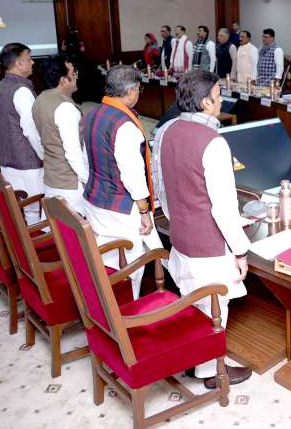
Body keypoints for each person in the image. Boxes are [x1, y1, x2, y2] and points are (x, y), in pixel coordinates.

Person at [153, 70, 253, 389]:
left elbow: (161, 186)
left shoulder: (166, 130)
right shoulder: (214, 143)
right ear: (205, 102)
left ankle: (193, 358)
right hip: (208, 245)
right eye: (218, 95)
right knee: (214, 307)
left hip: (180, 235)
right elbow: (223, 207)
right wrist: (240, 250)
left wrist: (179, 218)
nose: (222, 100)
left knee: (192, 301)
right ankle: (211, 370)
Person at [83, 65, 162, 299]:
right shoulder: (125, 125)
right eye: (139, 89)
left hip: (95, 199)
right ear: (130, 91)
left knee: (108, 260)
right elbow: (132, 175)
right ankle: (127, 310)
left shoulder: (92, 113)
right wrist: (144, 211)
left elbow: (86, 157)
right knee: (131, 268)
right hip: (121, 207)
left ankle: (106, 306)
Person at [0, 43, 44, 224]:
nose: (33, 63)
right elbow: (31, 129)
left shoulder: (1, 86)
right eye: (29, 59)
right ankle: (35, 241)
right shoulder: (21, 90)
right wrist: (44, 155)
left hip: (8, 160)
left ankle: (26, 239)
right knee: (35, 210)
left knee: (24, 209)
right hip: (27, 162)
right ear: (19, 64)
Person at [33, 55, 88, 215]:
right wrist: (89, 180)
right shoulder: (66, 108)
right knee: (78, 228)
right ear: (64, 80)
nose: (76, 77)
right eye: (74, 73)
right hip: (70, 185)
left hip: (51, 178)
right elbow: (73, 153)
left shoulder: (40, 99)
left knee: (58, 227)